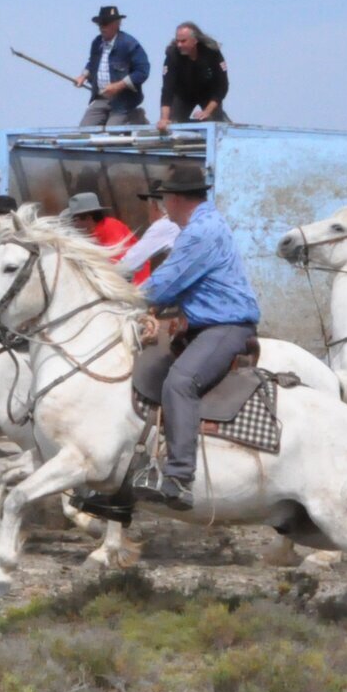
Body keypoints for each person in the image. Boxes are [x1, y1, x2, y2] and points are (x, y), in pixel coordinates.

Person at [76, 167, 258, 519]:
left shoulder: (201, 233)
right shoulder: (201, 227)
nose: (162, 207)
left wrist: (111, 300)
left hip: (226, 327)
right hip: (204, 325)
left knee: (180, 383)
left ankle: (179, 478)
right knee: (139, 376)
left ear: (174, 199)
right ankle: (122, 483)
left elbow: (163, 284)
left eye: (163, 199)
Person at [74, 5, 150, 128]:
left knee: (113, 131)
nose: (102, 27)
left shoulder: (129, 44)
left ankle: (135, 116)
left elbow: (143, 71)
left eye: (106, 23)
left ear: (117, 24)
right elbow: (92, 63)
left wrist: (119, 86)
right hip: (101, 97)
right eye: (100, 24)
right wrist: (83, 75)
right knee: (84, 130)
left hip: (123, 100)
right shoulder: (97, 43)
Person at [158, 21, 230, 130]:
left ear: (195, 40)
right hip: (183, 94)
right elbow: (167, 89)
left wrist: (207, 111)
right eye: (177, 41)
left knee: (213, 123)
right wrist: (164, 118)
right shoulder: (172, 54)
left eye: (183, 41)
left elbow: (222, 86)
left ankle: (221, 119)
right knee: (171, 123)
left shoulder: (212, 52)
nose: (179, 45)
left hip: (208, 94)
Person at [117, 185, 179, 286]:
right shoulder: (179, 222)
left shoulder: (163, 225)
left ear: (154, 205)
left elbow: (128, 265)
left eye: (148, 207)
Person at [66, 192, 134, 255]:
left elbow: (119, 257)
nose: (75, 224)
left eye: (75, 220)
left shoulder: (110, 226)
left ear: (88, 218)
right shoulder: (95, 231)